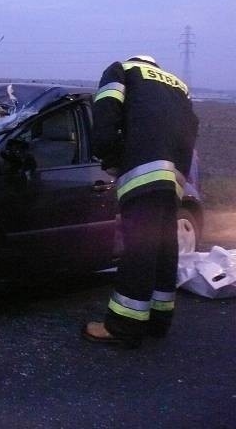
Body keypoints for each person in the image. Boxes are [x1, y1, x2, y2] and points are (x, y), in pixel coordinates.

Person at [83, 55, 198, 348]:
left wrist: (108, 155)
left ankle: (123, 326)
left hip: (141, 172)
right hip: (172, 177)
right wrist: (181, 174)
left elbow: (106, 111)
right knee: (163, 248)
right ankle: (159, 321)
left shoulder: (122, 71)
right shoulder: (177, 85)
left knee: (139, 249)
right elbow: (190, 131)